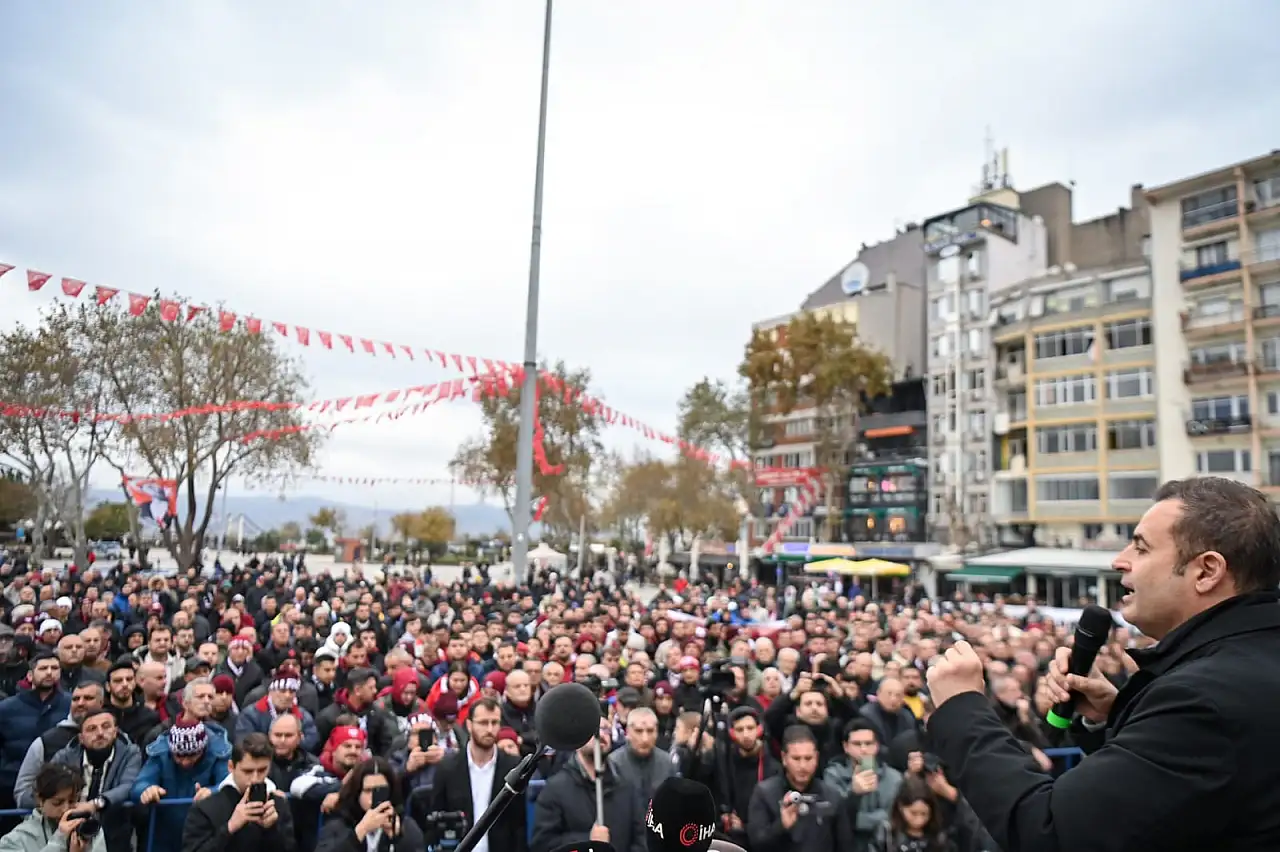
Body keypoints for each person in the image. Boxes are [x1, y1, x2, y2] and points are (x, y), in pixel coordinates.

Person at [926, 477, 1280, 851]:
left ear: (1207, 571)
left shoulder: (1203, 700)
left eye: (1141, 548)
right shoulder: (1250, 661)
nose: (1119, 560)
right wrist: (1117, 716)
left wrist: (962, 709)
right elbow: (1179, 799)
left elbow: (1052, 832)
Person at [428, 697, 527, 852]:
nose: (489, 729)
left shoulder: (513, 766)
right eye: (483, 723)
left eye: (494, 723)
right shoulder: (447, 768)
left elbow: (519, 824)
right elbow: (436, 819)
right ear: (469, 724)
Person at [180, 732, 297, 852]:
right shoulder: (205, 807)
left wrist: (271, 830)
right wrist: (229, 828)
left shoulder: (278, 805)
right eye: (248, 771)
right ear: (231, 767)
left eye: (262, 770)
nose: (255, 779)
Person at [747, 725, 856, 852]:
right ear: (784, 758)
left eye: (808, 758)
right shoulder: (765, 793)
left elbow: (845, 846)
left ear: (816, 758)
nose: (803, 766)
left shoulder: (832, 796)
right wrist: (781, 826)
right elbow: (756, 844)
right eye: (796, 759)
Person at [314, 756, 424, 852]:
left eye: (381, 790)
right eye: (368, 791)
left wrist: (397, 840)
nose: (372, 797)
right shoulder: (338, 826)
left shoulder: (406, 825)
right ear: (357, 792)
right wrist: (359, 832)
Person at [0, 763, 107, 852]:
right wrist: (59, 841)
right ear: (40, 801)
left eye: (72, 801)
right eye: (57, 802)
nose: (66, 809)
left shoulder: (89, 829)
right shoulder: (14, 840)